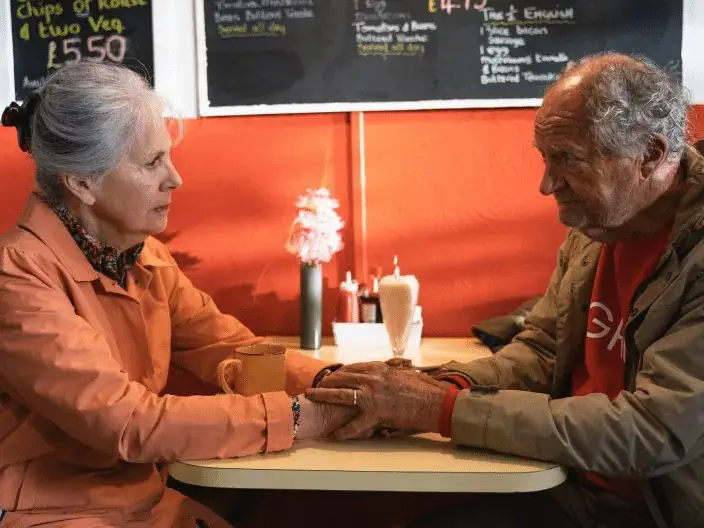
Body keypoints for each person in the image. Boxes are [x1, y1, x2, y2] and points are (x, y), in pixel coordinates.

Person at [308, 53, 704, 528]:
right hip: (570, 485)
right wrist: (440, 384)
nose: (546, 184)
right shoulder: (599, 224)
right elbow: (541, 351)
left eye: (568, 159)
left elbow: (652, 432)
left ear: (651, 155)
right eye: (545, 158)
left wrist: (440, 407)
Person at [0, 61, 356, 527]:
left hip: (146, 501)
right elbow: (129, 422)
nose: (175, 178)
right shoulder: (17, 277)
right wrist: (306, 417)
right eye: (151, 162)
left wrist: (340, 381)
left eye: (167, 156)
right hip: (47, 513)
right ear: (83, 182)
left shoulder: (143, 255)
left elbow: (229, 348)